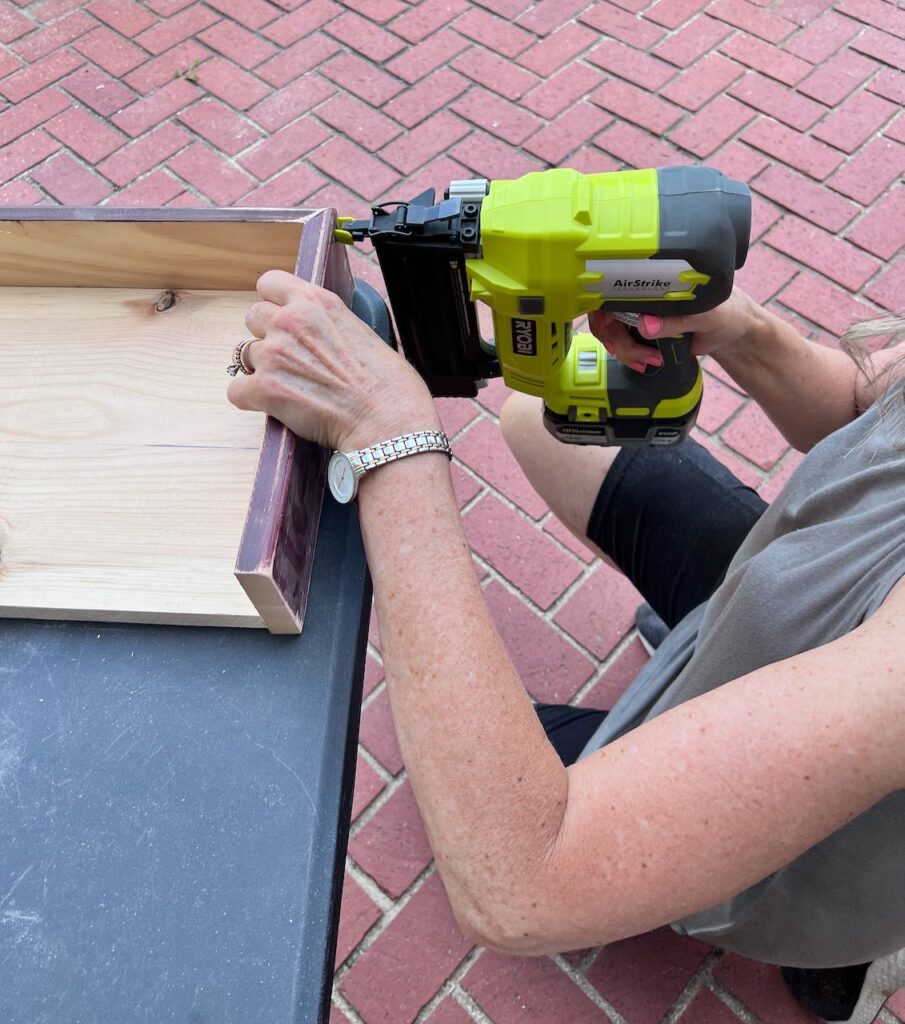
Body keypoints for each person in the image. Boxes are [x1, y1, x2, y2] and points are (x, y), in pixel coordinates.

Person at [228, 274, 904, 1024]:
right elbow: (862, 407)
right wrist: (745, 332)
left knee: (468, 795)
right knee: (540, 418)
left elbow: (520, 883)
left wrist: (385, 439)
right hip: (800, 582)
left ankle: (834, 953)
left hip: (835, 810)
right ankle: (718, 647)